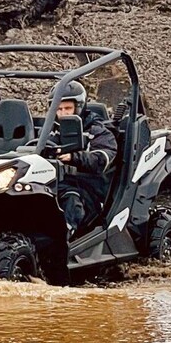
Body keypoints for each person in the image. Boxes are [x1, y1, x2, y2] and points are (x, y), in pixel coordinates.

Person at [49, 81, 117, 238]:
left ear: (79, 108)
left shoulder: (97, 131)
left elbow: (102, 158)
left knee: (70, 199)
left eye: (68, 108)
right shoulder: (51, 131)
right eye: (59, 109)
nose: (63, 113)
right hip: (56, 183)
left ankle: (61, 241)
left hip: (90, 189)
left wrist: (74, 157)